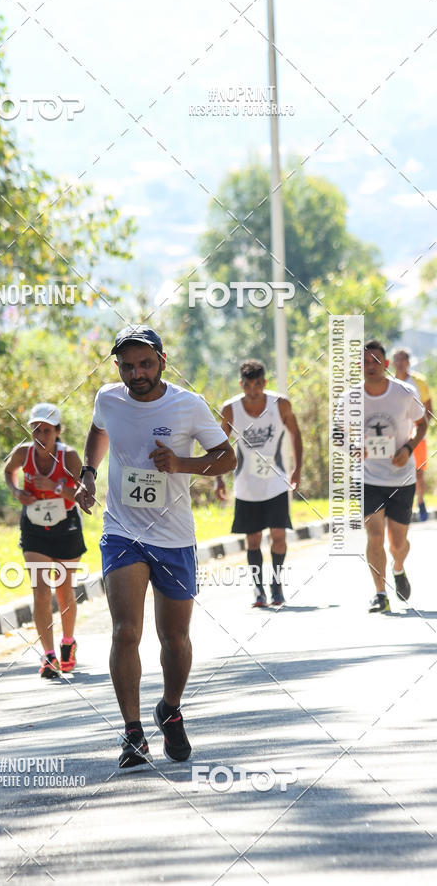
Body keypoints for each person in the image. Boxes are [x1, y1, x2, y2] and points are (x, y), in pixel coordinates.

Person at [75, 325, 235, 769]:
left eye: (145, 363)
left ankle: (170, 708)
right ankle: (132, 733)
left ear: (162, 361)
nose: (136, 373)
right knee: (126, 630)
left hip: (174, 537)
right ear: (118, 367)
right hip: (123, 531)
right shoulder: (109, 398)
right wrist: (88, 473)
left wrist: (183, 463)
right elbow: (99, 430)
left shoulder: (188, 405)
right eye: (127, 365)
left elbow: (227, 457)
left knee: (175, 638)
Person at [4, 402, 86, 677]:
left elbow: (84, 496)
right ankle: (48, 655)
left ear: (58, 431)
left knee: (63, 589)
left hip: (66, 526)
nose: (41, 436)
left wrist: (55, 488)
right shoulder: (22, 453)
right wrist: (17, 492)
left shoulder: (70, 456)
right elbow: (8, 472)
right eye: (36, 430)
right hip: (35, 528)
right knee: (40, 589)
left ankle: (67, 643)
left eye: (47, 431)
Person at [214, 359, 302, 608]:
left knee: (278, 536)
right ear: (241, 385)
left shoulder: (280, 404)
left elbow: (296, 433)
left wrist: (297, 468)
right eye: (247, 386)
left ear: (264, 383)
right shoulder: (231, 409)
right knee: (252, 540)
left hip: (275, 481)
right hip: (246, 484)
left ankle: (276, 586)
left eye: (257, 385)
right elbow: (220, 445)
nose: (253, 392)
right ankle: (258, 590)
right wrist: (218, 479)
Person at [362, 340, 427, 612]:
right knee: (374, 536)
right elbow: (339, 432)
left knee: (397, 544)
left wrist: (408, 447)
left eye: (375, 361)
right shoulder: (351, 398)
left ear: (386, 364)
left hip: (402, 478)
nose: (370, 366)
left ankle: (398, 567)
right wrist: (353, 448)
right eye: (365, 362)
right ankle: (380, 593)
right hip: (368, 479)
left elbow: (421, 425)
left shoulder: (404, 392)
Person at [392, 347, 432, 521]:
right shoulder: (388, 382)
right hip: (396, 437)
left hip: (417, 437)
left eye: (403, 360)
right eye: (397, 360)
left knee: (418, 472)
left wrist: (420, 429)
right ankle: (399, 506)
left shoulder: (419, 382)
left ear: (408, 362)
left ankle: (421, 502)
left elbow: (429, 409)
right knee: (396, 471)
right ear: (392, 362)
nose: (400, 363)